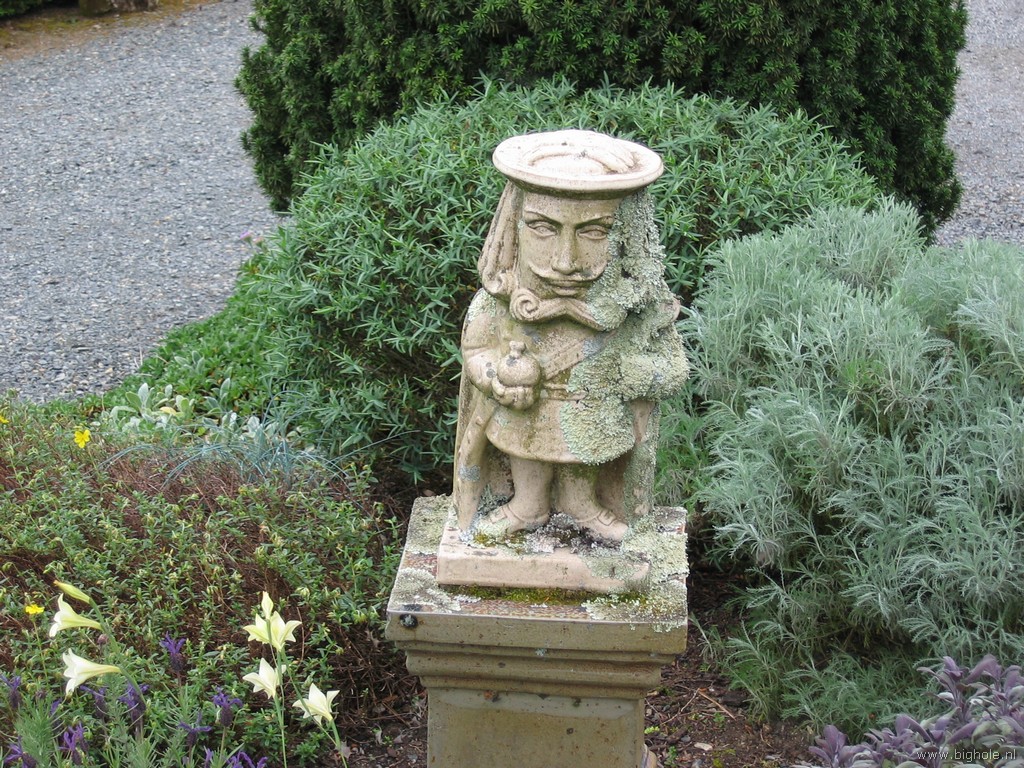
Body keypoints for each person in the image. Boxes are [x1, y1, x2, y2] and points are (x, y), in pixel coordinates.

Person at [453, 130, 689, 544]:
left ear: (628, 238)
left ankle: (582, 507)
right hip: (524, 414)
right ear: (513, 228)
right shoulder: (498, 304)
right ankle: (527, 506)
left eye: (594, 232)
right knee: (527, 451)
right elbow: (475, 350)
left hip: (591, 413)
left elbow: (672, 370)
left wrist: (634, 373)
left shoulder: (638, 313)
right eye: (543, 228)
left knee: (583, 455)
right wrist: (494, 377)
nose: (566, 262)